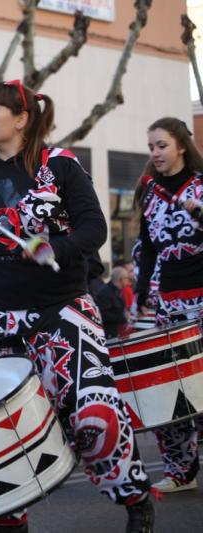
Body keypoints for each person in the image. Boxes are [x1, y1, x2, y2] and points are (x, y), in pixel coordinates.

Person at [0, 81, 153, 533]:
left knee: (92, 415)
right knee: (0, 429)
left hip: (62, 311)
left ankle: (135, 499)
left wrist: (54, 245)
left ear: (21, 119)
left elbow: (94, 227)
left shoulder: (58, 167)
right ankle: (10, 521)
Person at [134, 116, 203, 494]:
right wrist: (144, 290)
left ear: (180, 145)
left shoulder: (201, 186)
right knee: (171, 391)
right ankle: (180, 470)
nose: (156, 153)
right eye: (151, 148)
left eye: (161, 145)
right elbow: (147, 249)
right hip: (168, 308)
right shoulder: (150, 193)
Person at [93, 266, 130, 339]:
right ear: (121, 279)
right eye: (127, 279)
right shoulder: (105, 293)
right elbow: (104, 315)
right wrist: (123, 317)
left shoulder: (116, 291)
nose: (128, 281)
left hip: (117, 331)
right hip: (109, 334)